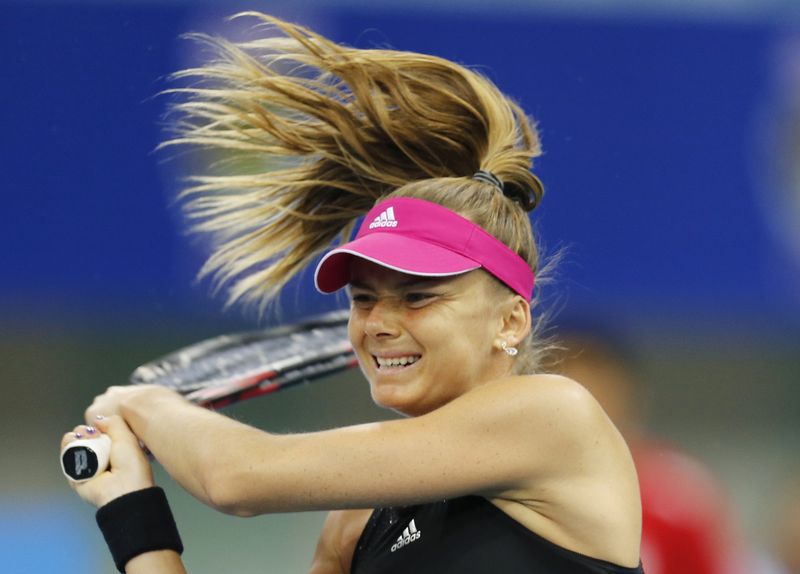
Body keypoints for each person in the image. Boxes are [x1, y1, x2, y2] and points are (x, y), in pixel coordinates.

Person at [61, 13, 643, 574]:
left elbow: (238, 477)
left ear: (511, 321)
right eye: (363, 299)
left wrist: (147, 403)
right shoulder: (355, 522)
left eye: (418, 297)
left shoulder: (554, 418)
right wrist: (132, 517)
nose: (378, 322)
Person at [550, 321, 747, 574]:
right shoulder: (511, 495)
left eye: (597, 381)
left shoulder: (680, 496)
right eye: (563, 376)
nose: (584, 399)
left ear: (629, 390)